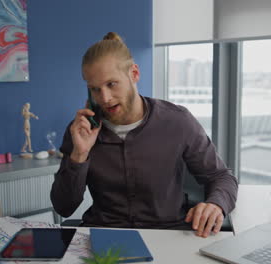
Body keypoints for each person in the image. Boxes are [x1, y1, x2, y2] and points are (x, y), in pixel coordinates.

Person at [51, 32, 238, 238]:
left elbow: (221, 176)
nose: (104, 98)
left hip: (167, 235)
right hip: (105, 236)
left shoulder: (177, 121)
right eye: (94, 89)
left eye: (111, 84)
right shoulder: (81, 131)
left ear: (134, 74)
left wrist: (216, 204)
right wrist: (79, 155)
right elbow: (64, 207)